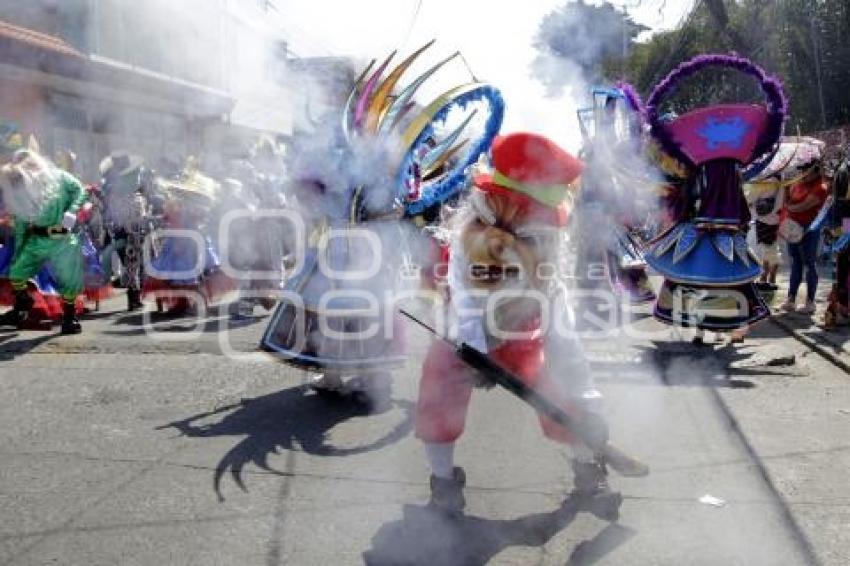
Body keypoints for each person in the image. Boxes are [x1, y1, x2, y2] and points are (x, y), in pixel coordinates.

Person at [416, 132, 648, 517]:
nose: (541, 218)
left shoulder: (546, 249)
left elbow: (561, 326)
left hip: (522, 329)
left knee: (563, 395)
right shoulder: (471, 236)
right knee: (438, 389)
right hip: (462, 332)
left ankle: (588, 472)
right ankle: (443, 484)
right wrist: (475, 352)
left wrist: (587, 400)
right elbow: (465, 299)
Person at [0, 149, 87, 334]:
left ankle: (70, 318)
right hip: (37, 239)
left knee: (68, 279)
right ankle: (24, 302)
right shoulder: (22, 190)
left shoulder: (60, 177)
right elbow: (22, 222)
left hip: (61, 238)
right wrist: (19, 250)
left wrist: (72, 210)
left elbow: (81, 190)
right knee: (16, 273)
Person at [780, 160, 830, 314]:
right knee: (795, 263)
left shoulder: (820, 187)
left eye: (805, 170)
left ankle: (810, 301)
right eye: (801, 170)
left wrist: (789, 207)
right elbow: (787, 200)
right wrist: (786, 193)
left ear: (814, 170)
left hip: (809, 230)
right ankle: (791, 298)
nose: (802, 173)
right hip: (793, 229)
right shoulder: (798, 184)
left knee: (809, 263)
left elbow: (805, 205)